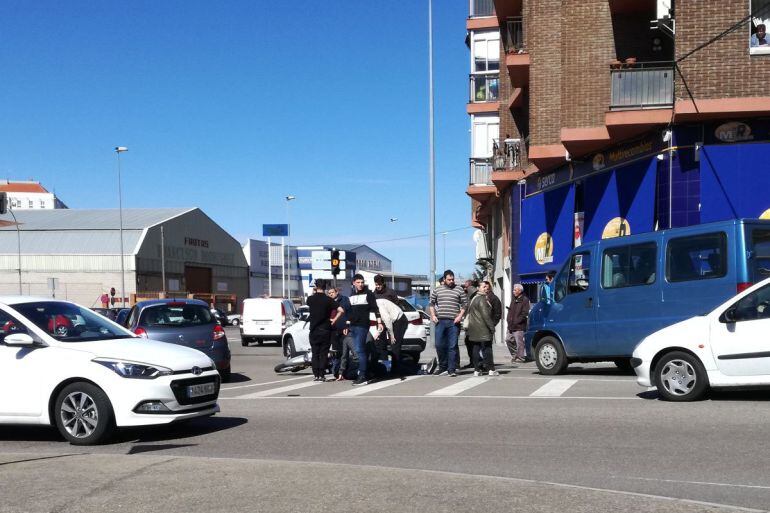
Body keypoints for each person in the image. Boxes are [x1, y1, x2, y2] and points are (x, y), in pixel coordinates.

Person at [429, 269, 468, 377]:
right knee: (439, 345)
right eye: (449, 279)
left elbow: (465, 304)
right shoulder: (438, 290)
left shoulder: (459, 290)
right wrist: (433, 315)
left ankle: (451, 369)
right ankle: (443, 367)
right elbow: (431, 303)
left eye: (452, 279)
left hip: (453, 322)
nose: (451, 281)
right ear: (444, 279)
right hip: (440, 321)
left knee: (452, 346)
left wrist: (460, 316)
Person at [347, 273, 383, 386]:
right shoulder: (351, 295)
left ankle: (362, 376)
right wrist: (347, 323)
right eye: (358, 282)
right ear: (353, 283)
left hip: (362, 325)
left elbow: (375, 308)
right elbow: (350, 311)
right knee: (359, 350)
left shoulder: (368, 294)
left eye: (362, 282)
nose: (360, 284)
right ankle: (364, 373)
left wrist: (379, 322)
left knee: (359, 349)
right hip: (353, 326)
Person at [306, 279, 344, 381]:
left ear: (316, 287)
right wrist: (334, 320)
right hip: (325, 329)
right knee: (323, 353)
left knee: (315, 353)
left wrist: (314, 292)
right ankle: (322, 375)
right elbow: (341, 310)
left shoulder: (310, 299)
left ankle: (316, 375)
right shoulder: (329, 300)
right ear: (325, 287)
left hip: (314, 329)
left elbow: (310, 302)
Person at [466, 281, 499, 376]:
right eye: (483, 287)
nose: (486, 289)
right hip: (483, 329)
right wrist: (492, 327)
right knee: (487, 349)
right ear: (478, 288)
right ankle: (491, 369)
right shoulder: (482, 299)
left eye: (486, 287)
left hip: (474, 329)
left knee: (475, 348)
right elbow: (486, 315)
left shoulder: (473, 299)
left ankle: (476, 370)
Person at [375, 297, 407, 378]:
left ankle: (396, 371)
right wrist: (377, 333)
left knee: (394, 345)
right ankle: (386, 369)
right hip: (392, 321)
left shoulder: (379, 304)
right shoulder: (375, 305)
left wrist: (392, 336)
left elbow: (387, 320)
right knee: (381, 344)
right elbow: (380, 322)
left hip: (399, 320)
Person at [327, 287, 351, 378]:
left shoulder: (344, 300)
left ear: (336, 292)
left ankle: (345, 371)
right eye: (329, 293)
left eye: (332, 292)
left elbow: (349, 313)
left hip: (343, 329)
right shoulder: (328, 301)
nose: (331, 294)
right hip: (333, 330)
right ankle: (337, 372)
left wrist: (347, 326)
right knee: (336, 352)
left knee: (344, 351)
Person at [506, 283, 530, 363]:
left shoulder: (525, 300)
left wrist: (517, 321)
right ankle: (515, 355)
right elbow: (510, 310)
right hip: (511, 325)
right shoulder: (513, 299)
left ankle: (521, 357)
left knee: (519, 342)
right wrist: (508, 319)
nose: (513, 291)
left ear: (520, 291)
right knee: (508, 340)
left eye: (515, 290)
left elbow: (525, 313)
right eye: (513, 290)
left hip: (519, 325)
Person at [460, 280, 479, 369]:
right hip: (469, 324)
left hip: (474, 324)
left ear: (471, 287)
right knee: (468, 343)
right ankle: (473, 361)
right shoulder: (467, 295)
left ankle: (478, 362)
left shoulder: (473, 295)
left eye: (466, 286)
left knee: (473, 344)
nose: (464, 288)